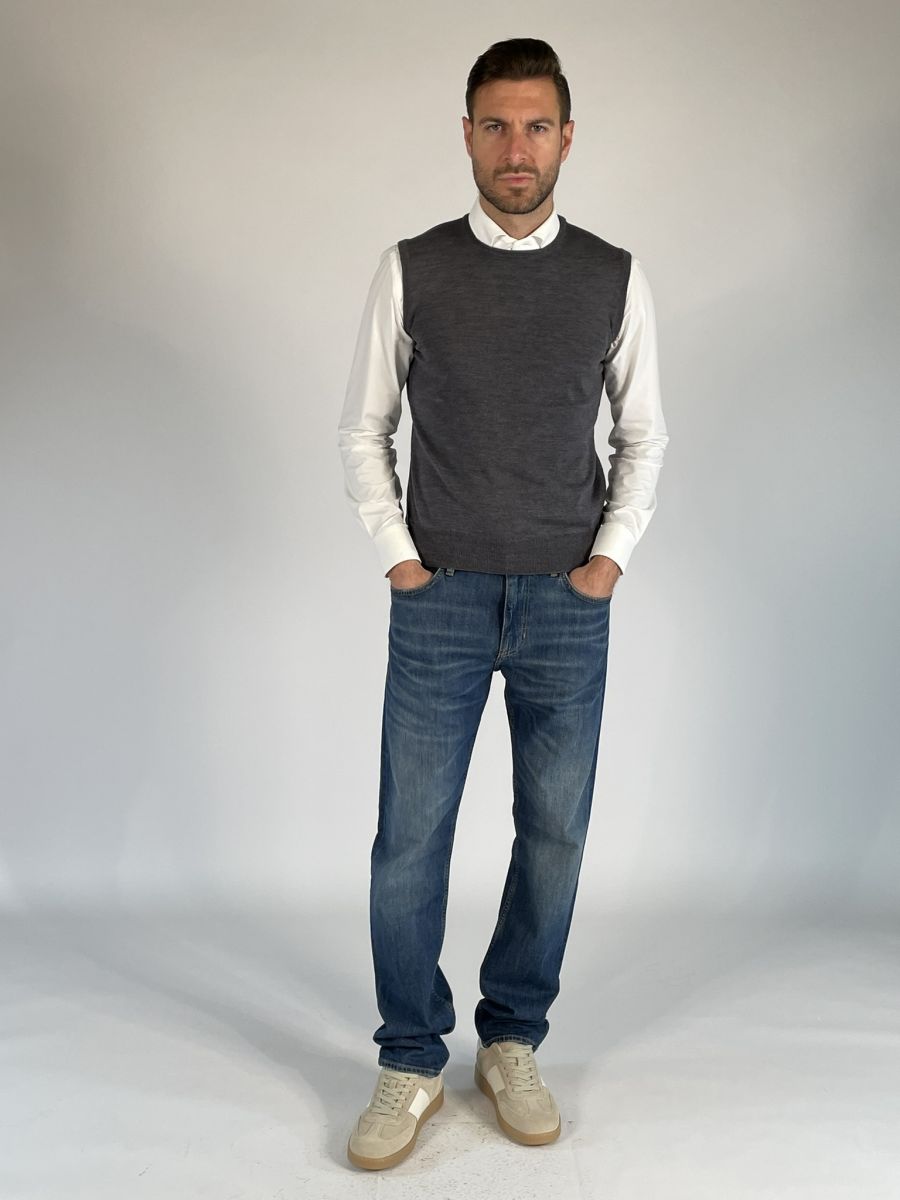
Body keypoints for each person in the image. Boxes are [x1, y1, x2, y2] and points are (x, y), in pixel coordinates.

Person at [336, 36, 668, 1170]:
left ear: (567, 138)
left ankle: (512, 1036)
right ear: (467, 135)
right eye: (495, 125)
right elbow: (364, 427)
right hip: (439, 596)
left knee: (556, 833)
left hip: (567, 602)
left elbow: (642, 433)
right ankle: (410, 1057)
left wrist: (607, 561)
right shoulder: (412, 268)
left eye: (535, 126)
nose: (515, 148)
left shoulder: (612, 275)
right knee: (409, 838)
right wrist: (400, 557)